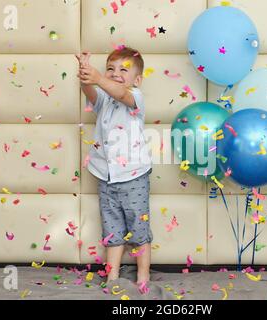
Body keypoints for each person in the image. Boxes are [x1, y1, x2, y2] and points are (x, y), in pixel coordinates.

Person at [76, 47, 152, 285]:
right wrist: (87, 76)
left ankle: (143, 274)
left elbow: (122, 94)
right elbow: (90, 92)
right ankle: (113, 275)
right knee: (112, 229)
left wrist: (100, 78)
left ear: (137, 80)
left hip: (133, 175)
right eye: (111, 68)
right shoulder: (104, 101)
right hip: (106, 176)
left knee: (139, 227)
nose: (115, 73)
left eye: (123, 70)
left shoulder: (136, 97)